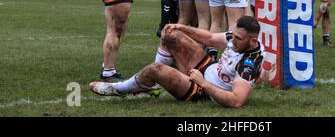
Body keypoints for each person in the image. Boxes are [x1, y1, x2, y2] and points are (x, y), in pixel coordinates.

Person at [88, 16, 264, 108]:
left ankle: (118, 88)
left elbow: (236, 101)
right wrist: (181, 27)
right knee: (170, 33)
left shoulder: (250, 62)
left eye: (238, 39)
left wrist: (203, 83)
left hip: (202, 90)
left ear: (252, 42)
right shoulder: (237, 38)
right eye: (232, 36)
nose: (232, 42)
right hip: (206, 67)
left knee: (155, 69)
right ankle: (154, 86)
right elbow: (210, 38)